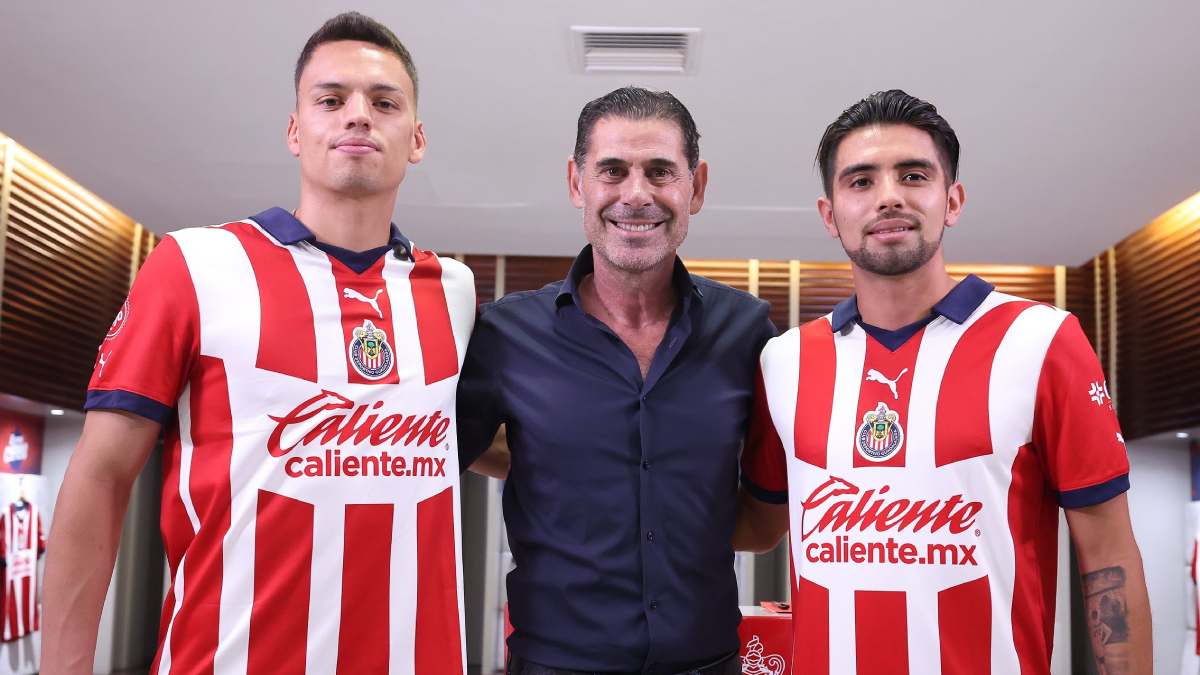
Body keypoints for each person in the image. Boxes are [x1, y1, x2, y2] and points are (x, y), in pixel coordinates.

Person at [42, 12, 475, 673]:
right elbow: (100, 476)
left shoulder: (456, 291)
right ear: (296, 131)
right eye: (331, 100)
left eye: (384, 102)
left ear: (415, 139)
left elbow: (492, 437)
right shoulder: (194, 263)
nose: (358, 116)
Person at [735, 89, 1152, 674]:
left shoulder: (1042, 341)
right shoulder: (783, 361)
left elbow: (1109, 555)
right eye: (860, 181)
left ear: (951, 200)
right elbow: (757, 524)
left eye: (913, 175)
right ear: (830, 215)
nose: (888, 197)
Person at [458, 87, 775, 674]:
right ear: (577, 184)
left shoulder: (748, 332)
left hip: (710, 663)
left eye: (660, 171)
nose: (636, 195)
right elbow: (452, 446)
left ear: (695, 186)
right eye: (612, 170)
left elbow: (764, 515)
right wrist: (550, 459)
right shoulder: (507, 334)